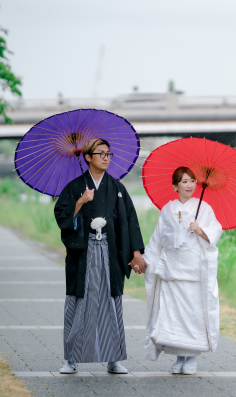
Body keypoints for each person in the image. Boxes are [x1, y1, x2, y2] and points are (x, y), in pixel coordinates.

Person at [53, 137, 146, 375]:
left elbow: (129, 220)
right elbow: (62, 217)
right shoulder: (75, 187)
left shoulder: (116, 187)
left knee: (111, 302)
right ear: (87, 157)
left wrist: (135, 253)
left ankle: (114, 358)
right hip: (83, 253)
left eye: (108, 154)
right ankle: (71, 359)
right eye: (101, 154)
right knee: (78, 302)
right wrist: (81, 201)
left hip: (110, 252)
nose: (106, 158)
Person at [143, 166, 223, 375]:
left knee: (193, 313)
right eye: (184, 181)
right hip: (172, 270)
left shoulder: (204, 208)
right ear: (175, 186)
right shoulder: (167, 209)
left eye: (192, 181)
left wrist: (200, 230)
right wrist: (146, 260)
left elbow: (215, 232)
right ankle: (180, 358)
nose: (189, 185)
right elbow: (157, 239)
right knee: (175, 315)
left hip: (194, 271)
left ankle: (192, 359)